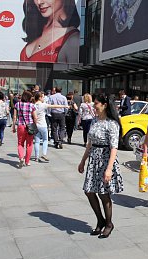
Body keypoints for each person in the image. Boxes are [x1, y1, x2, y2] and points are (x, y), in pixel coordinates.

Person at [78, 93, 123, 239]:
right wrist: (83, 160)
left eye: (96, 103)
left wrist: (109, 168)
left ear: (104, 105)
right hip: (93, 159)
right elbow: (89, 143)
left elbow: (114, 147)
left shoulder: (112, 124)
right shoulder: (94, 121)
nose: (94, 106)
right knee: (89, 191)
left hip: (105, 159)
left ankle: (108, 223)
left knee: (103, 193)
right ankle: (100, 219)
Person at [33, 92, 68, 162]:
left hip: (36, 125)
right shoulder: (43, 105)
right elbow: (54, 106)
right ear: (40, 98)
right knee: (45, 140)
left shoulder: (33, 105)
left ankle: (36, 157)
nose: (43, 98)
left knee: (37, 141)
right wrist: (64, 106)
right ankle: (44, 154)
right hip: (43, 125)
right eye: (42, 97)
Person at [12, 91, 37, 168]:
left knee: (20, 143)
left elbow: (15, 117)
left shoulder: (17, 104)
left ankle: (21, 158)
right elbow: (35, 117)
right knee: (29, 144)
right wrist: (35, 125)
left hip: (20, 126)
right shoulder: (32, 105)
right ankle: (27, 161)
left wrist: (13, 126)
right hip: (30, 126)